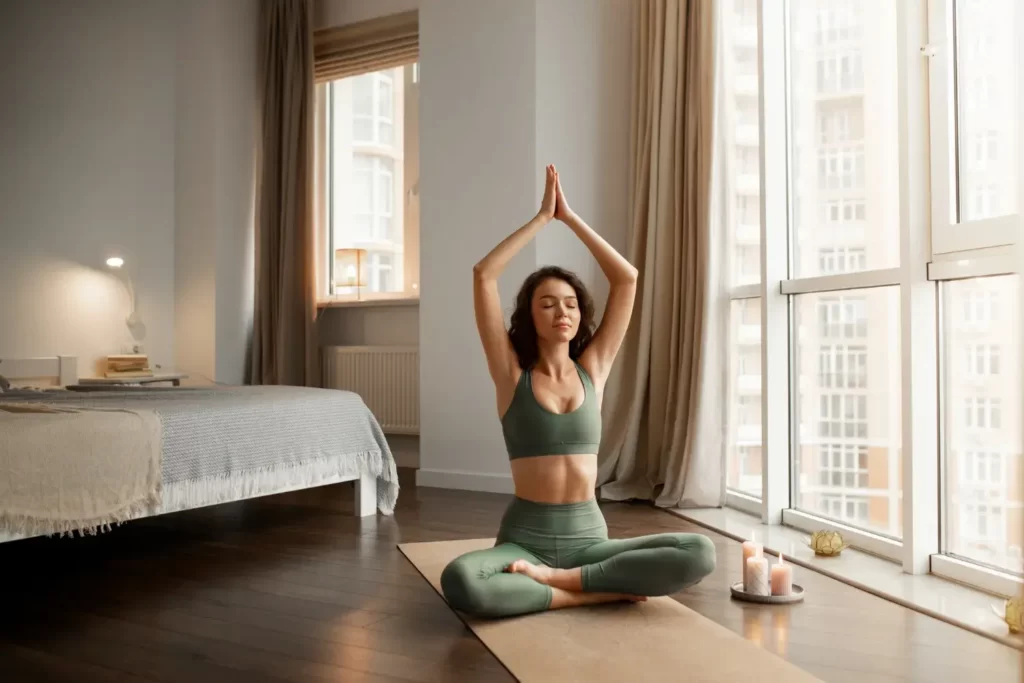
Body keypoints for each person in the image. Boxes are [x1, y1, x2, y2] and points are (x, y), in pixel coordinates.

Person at [439, 165, 717, 619]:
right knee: (461, 580)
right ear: (530, 317)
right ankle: (586, 592)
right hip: (524, 540)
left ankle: (559, 584)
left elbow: (626, 278)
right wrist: (542, 219)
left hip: (589, 539)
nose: (561, 311)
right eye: (547, 304)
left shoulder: (594, 369)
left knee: (699, 550)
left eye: (570, 303)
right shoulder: (512, 376)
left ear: (580, 314)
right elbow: (483, 274)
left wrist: (570, 218)